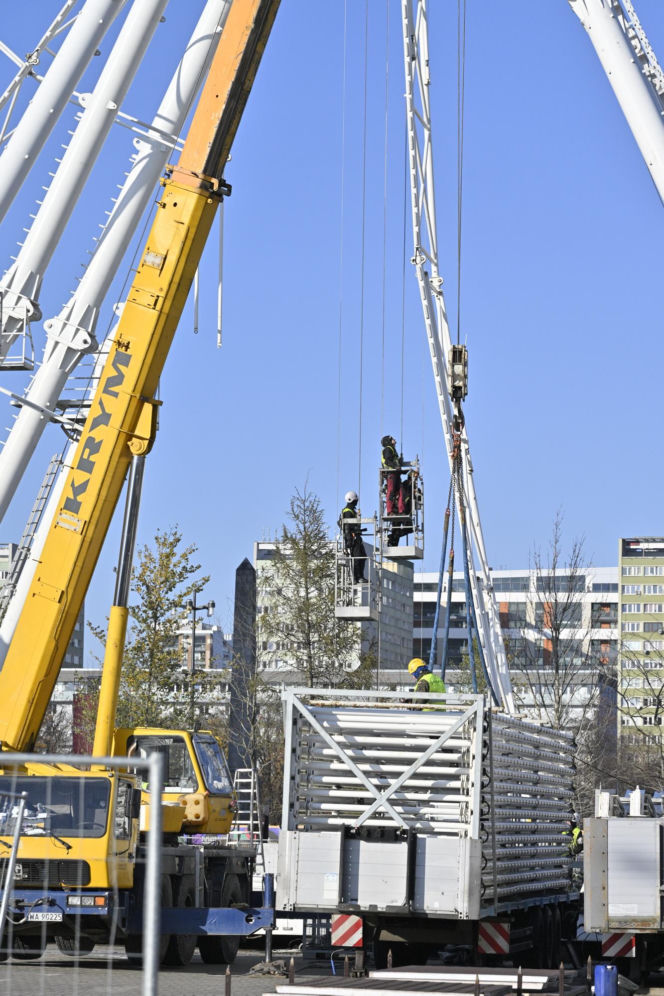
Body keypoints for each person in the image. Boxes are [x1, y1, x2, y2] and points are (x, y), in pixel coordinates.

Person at [339, 491, 367, 583]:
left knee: (362, 556)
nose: (357, 502)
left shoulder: (351, 511)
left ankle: (359, 576)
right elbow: (347, 526)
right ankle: (357, 577)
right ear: (353, 500)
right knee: (357, 557)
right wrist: (349, 540)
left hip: (356, 537)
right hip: (353, 538)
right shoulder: (347, 511)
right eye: (356, 500)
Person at [381, 435, 406, 517]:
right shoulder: (388, 449)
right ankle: (390, 511)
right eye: (392, 439)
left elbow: (393, 461)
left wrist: (399, 462)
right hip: (391, 474)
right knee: (391, 492)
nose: (394, 440)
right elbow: (388, 461)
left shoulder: (392, 450)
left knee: (401, 491)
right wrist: (395, 466)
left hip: (396, 474)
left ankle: (401, 510)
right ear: (388, 441)